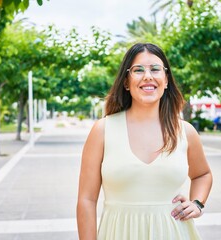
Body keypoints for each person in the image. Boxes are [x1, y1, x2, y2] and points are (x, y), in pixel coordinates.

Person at [77, 42, 213, 239]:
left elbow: (203, 174)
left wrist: (197, 203)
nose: (148, 76)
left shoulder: (185, 132)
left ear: (166, 80)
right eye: (138, 70)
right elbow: (86, 200)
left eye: (156, 69)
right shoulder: (103, 130)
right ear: (126, 81)